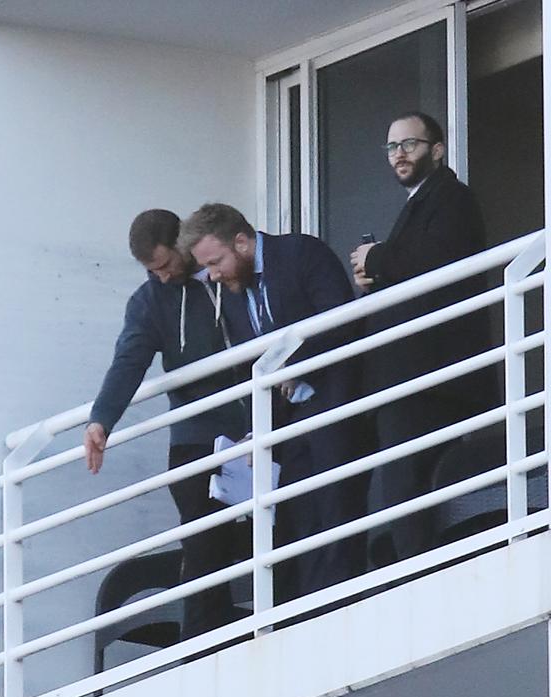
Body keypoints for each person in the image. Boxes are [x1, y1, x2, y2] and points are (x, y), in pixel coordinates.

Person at [179, 203, 367, 605]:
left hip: (335, 405)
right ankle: (305, 615)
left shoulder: (301, 253)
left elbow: (342, 320)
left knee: (337, 511)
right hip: (289, 421)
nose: (212, 275)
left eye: (216, 262)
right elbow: (255, 366)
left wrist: (296, 367)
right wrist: (257, 429)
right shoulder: (229, 292)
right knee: (295, 520)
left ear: (243, 242)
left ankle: (340, 610)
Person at [84, 209, 248, 640]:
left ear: (182, 244)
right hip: (196, 438)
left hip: (259, 424)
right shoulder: (150, 300)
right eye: (150, 271)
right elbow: (129, 359)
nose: (160, 277)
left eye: (164, 265)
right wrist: (102, 419)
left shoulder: (227, 274)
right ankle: (202, 646)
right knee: (202, 543)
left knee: (273, 527)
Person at [350, 111, 498, 563]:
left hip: (432, 378)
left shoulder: (451, 197)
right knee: (409, 484)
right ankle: (415, 565)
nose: (398, 155)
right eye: (392, 147)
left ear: (436, 149)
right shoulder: (422, 201)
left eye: (409, 145)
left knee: (413, 483)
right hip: (419, 377)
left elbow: (437, 258)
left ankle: (420, 570)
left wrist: (377, 259)